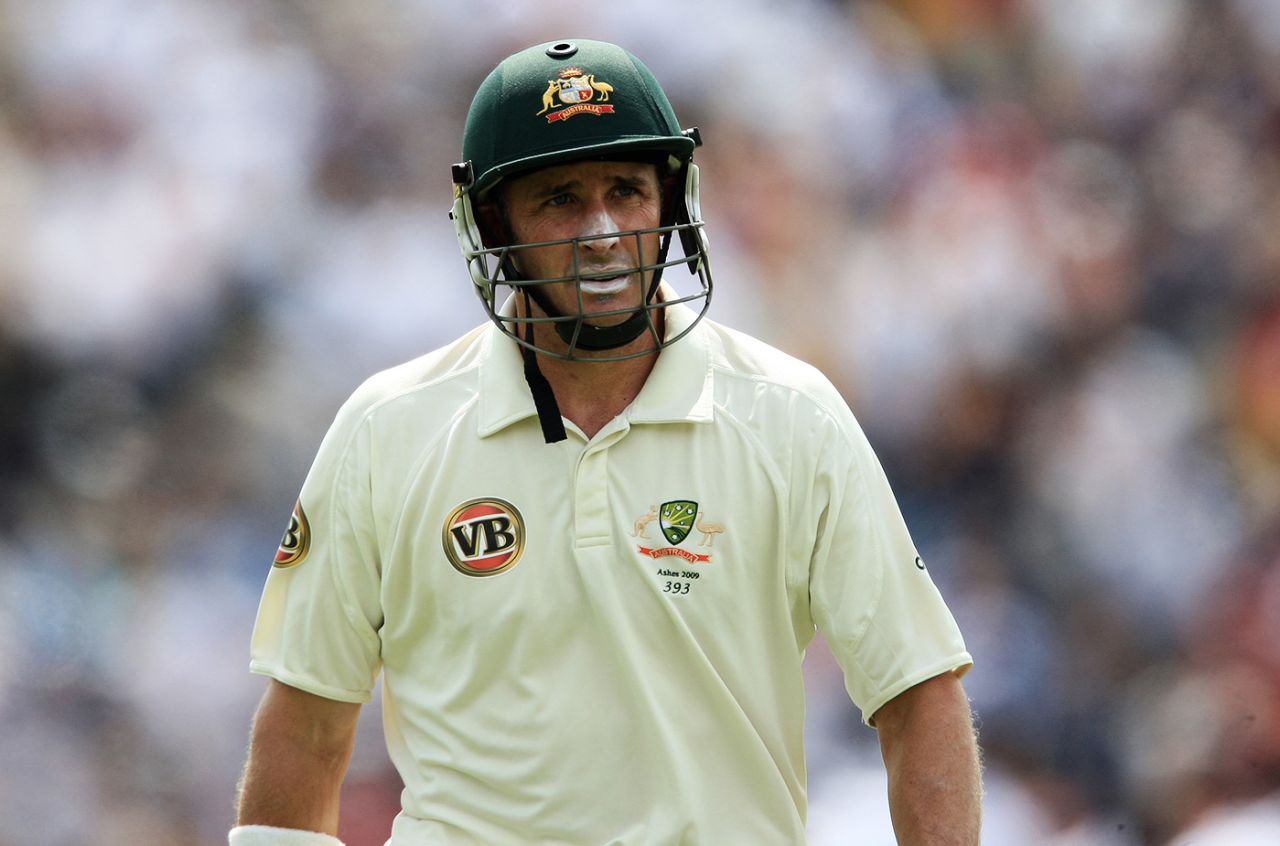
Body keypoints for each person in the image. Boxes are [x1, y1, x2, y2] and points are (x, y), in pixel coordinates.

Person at [231, 38, 981, 846]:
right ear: (490, 222)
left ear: (672, 201)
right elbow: (306, 727)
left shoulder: (790, 416)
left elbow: (918, 696)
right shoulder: (388, 429)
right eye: (558, 198)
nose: (602, 232)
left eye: (626, 190)